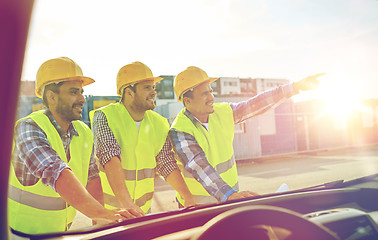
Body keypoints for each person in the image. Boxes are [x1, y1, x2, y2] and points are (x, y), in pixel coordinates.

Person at [8, 57, 138, 235]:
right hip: (23, 234)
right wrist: (102, 212)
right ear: (51, 97)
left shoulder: (83, 131)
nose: (82, 99)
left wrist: (99, 219)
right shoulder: (29, 127)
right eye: (74, 92)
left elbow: (92, 177)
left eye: (81, 92)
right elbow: (54, 171)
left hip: (60, 233)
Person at [169, 66, 324, 206]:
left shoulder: (222, 112)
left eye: (211, 91)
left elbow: (255, 104)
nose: (211, 97)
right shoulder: (180, 130)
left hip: (230, 199)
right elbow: (198, 165)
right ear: (187, 101)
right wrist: (229, 194)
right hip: (198, 207)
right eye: (204, 93)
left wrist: (294, 88)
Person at [90, 61, 195, 215]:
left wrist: (188, 197)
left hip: (143, 212)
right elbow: (109, 156)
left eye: (153, 87)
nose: (153, 92)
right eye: (147, 87)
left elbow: (165, 163)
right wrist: (127, 205)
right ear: (129, 92)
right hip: (111, 213)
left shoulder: (159, 123)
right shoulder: (105, 116)